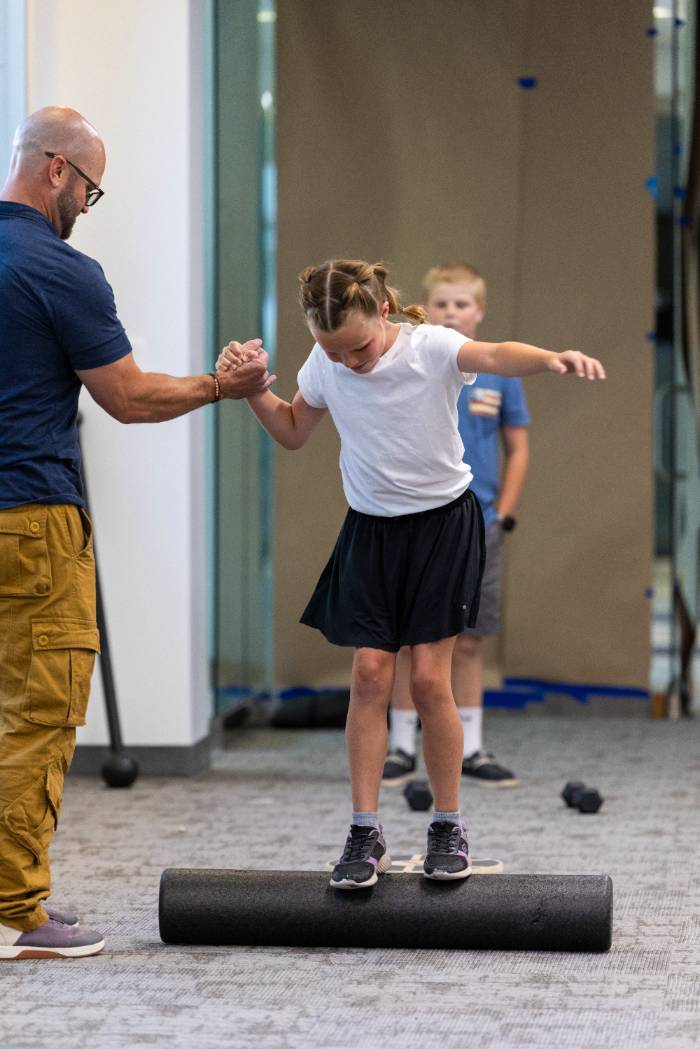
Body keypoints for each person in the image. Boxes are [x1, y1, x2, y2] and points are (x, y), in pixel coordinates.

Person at [217, 258, 605, 891]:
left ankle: (447, 825)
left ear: (383, 312)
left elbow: (496, 353)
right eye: (333, 352)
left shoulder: (432, 347)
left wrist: (551, 359)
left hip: (443, 527)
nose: (349, 362)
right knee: (370, 674)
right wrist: (252, 390)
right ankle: (364, 830)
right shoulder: (327, 363)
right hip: (371, 531)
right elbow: (291, 430)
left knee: (428, 679)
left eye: (359, 348)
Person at [0, 106, 273, 960]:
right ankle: (12, 910)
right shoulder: (59, 268)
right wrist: (222, 386)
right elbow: (128, 397)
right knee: (38, 711)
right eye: (90, 188)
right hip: (30, 518)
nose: (87, 205)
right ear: (57, 170)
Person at [383, 263, 529, 789]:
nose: (451, 312)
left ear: (479, 311)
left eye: (461, 304)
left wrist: (503, 512)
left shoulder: (499, 373)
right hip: (416, 519)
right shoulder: (410, 361)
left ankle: (471, 748)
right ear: (425, 310)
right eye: (442, 304)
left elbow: (518, 448)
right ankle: (401, 746)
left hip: (480, 522)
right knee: (407, 640)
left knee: (468, 640)